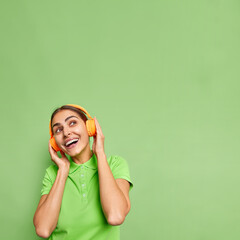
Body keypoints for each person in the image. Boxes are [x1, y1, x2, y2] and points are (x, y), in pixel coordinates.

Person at [33, 104, 133, 240]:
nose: (66, 133)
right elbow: (43, 230)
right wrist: (63, 171)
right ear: (54, 143)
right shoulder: (53, 173)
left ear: (89, 127)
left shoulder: (115, 164)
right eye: (58, 130)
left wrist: (100, 153)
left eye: (72, 123)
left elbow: (115, 216)